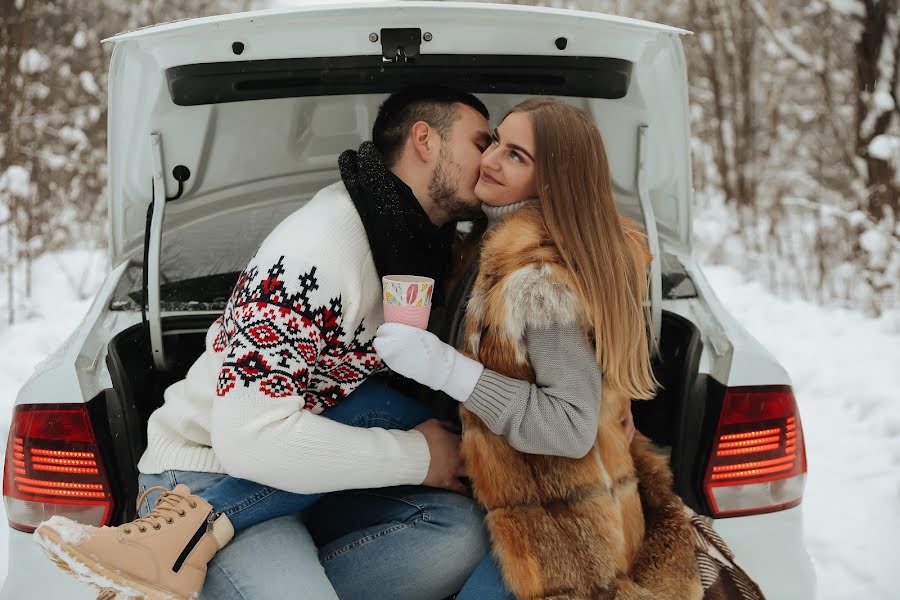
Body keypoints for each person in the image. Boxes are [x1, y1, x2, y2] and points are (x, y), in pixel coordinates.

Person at [32, 86, 497, 600]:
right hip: (208, 471)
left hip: (309, 469)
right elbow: (249, 440)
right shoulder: (315, 252)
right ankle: (173, 549)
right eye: (482, 142)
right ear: (425, 141)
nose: (493, 158)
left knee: (461, 534)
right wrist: (418, 457)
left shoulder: (410, 249)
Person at [374, 98, 704, 599]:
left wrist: (448, 370)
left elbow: (571, 427)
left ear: (554, 182)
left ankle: (212, 525)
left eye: (517, 157)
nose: (490, 161)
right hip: (505, 495)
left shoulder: (538, 279)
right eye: (494, 143)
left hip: (555, 537)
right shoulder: (494, 247)